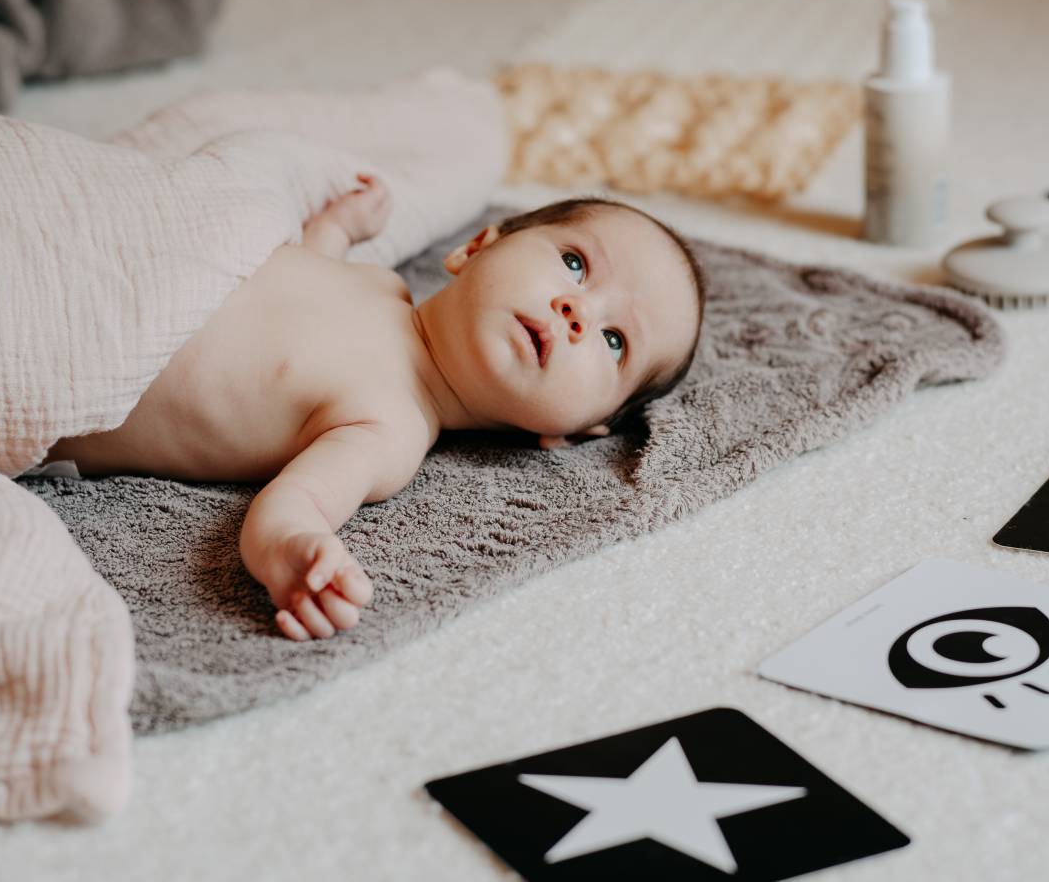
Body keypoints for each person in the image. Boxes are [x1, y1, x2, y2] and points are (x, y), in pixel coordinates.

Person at [48, 185, 706, 641]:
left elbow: (293, 506)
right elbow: (305, 268)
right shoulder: (378, 283)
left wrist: (294, 554)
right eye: (574, 262)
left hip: (64, 369)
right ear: (476, 247)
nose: (577, 311)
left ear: (575, 430)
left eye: (615, 340)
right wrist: (338, 227)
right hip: (96, 260)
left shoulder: (392, 428)